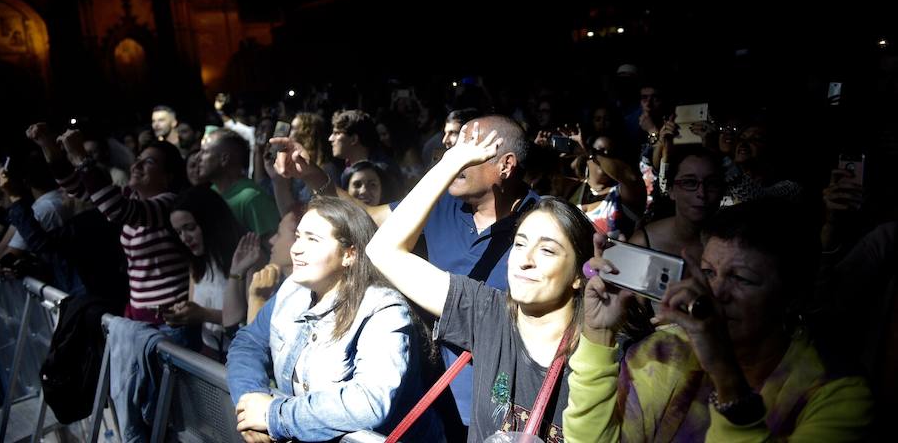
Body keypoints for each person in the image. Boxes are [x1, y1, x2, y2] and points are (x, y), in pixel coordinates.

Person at [563, 199, 874, 442]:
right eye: (708, 273)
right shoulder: (666, 350)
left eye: (742, 278)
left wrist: (724, 371)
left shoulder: (836, 394)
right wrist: (599, 335)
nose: (716, 293)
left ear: (792, 296)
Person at [366, 123, 595, 441]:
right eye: (519, 243)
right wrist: (448, 164)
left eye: (547, 250)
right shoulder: (488, 314)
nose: (524, 259)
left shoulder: (602, 352)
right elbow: (382, 249)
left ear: (578, 275)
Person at [226, 197, 442, 442]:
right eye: (298, 236)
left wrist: (274, 415)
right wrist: (250, 402)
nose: (296, 248)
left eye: (313, 239)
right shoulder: (291, 291)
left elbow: (369, 402)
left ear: (349, 254)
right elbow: (248, 343)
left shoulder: (384, 310)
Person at [28, 123, 191, 324]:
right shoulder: (132, 197)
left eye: (148, 162)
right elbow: (76, 187)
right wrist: (48, 146)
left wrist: (81, 157)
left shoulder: (169, 204)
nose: (136, 166)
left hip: (171, 320)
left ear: (168, 176)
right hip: (142, 317)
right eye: (137, 159)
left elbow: (117, 210)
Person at [167, 186, 256, 359]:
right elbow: (195, 306)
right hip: (207, 353)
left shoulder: (248, 258)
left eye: (190, 227)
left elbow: (250, 321)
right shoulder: (196, 262)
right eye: (179, 232)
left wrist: (203, 314)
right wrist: (184, 313)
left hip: (238, 358)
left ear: (210, 220)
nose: (185, 238)